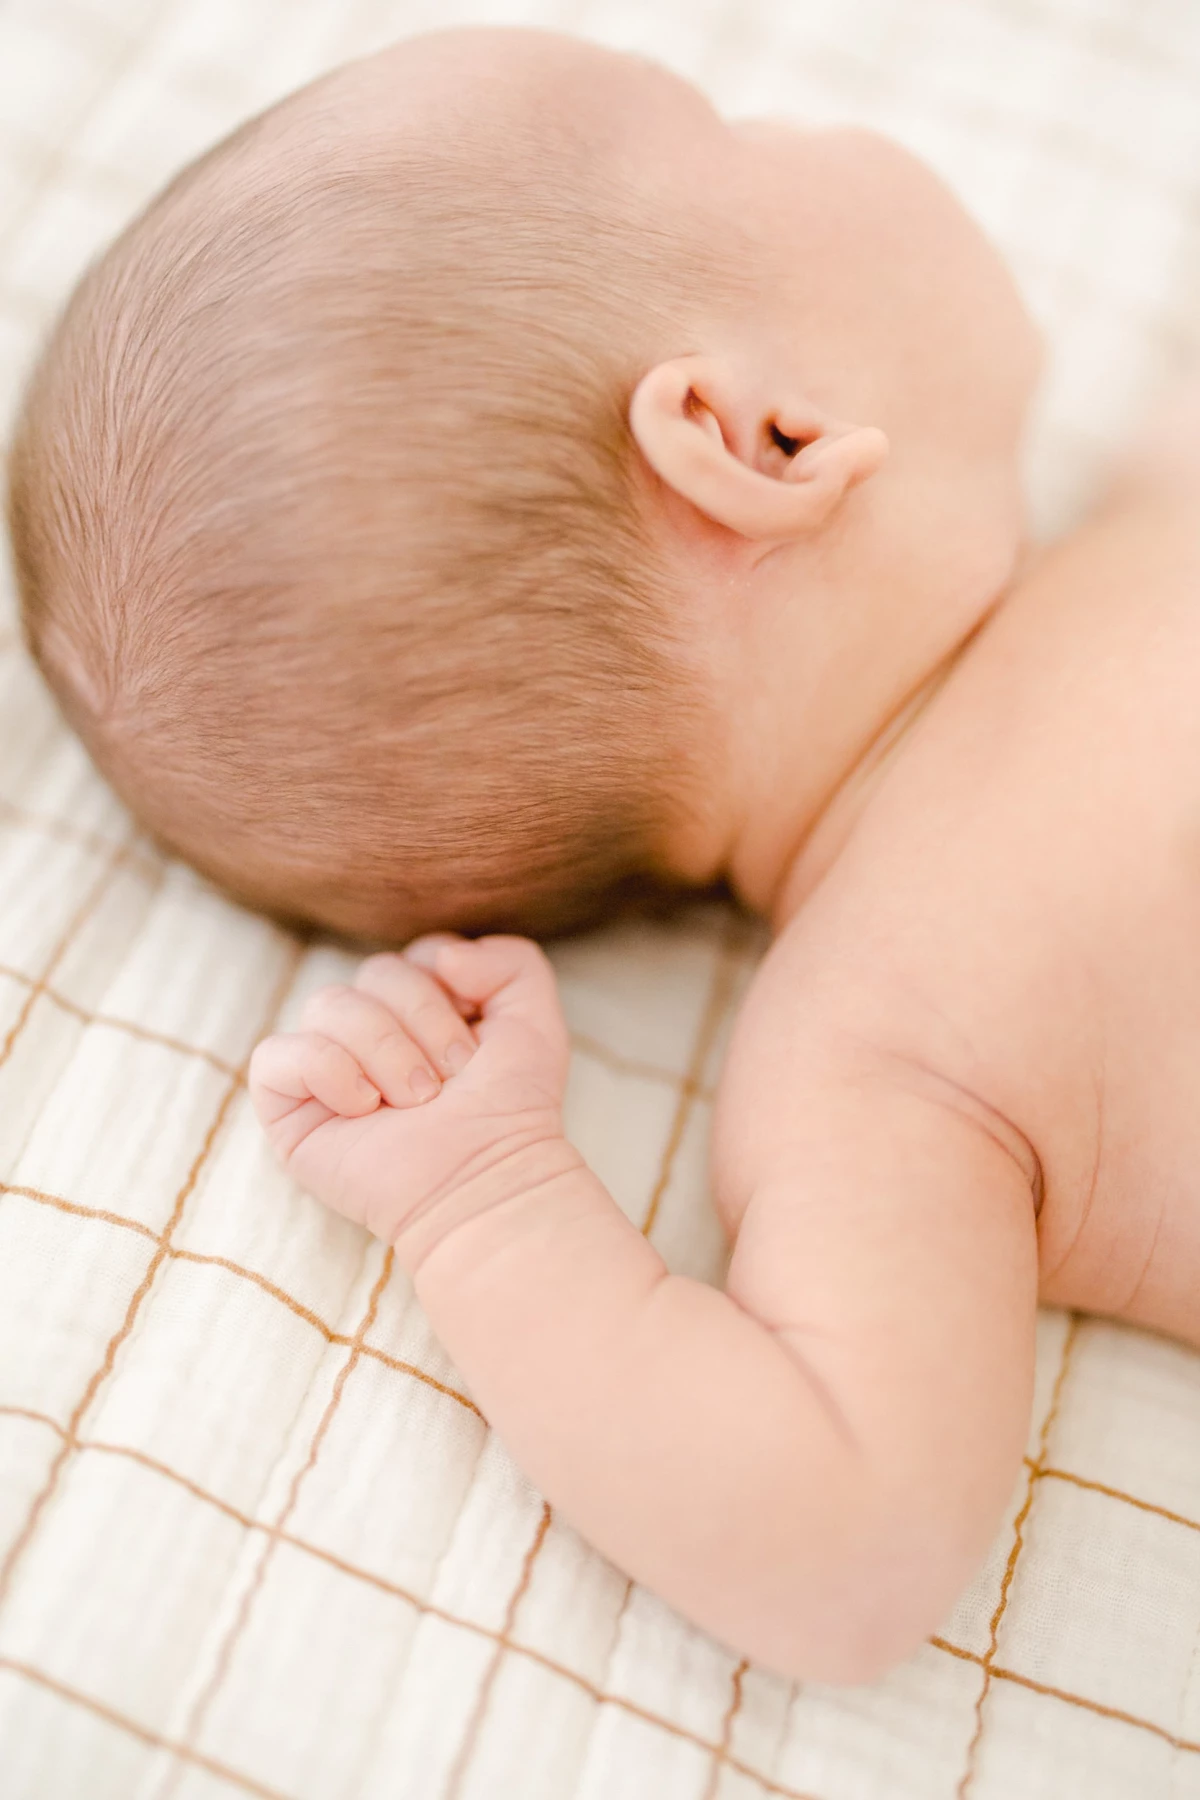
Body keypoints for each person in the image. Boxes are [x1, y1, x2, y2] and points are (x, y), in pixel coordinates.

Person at [14, 27, 1196, 1683]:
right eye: (731, 121)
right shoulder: (891, 1055)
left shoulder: (1136, 524)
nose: (808, 99)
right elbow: (845, 1549)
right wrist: (493, 1211)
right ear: (760, 437)